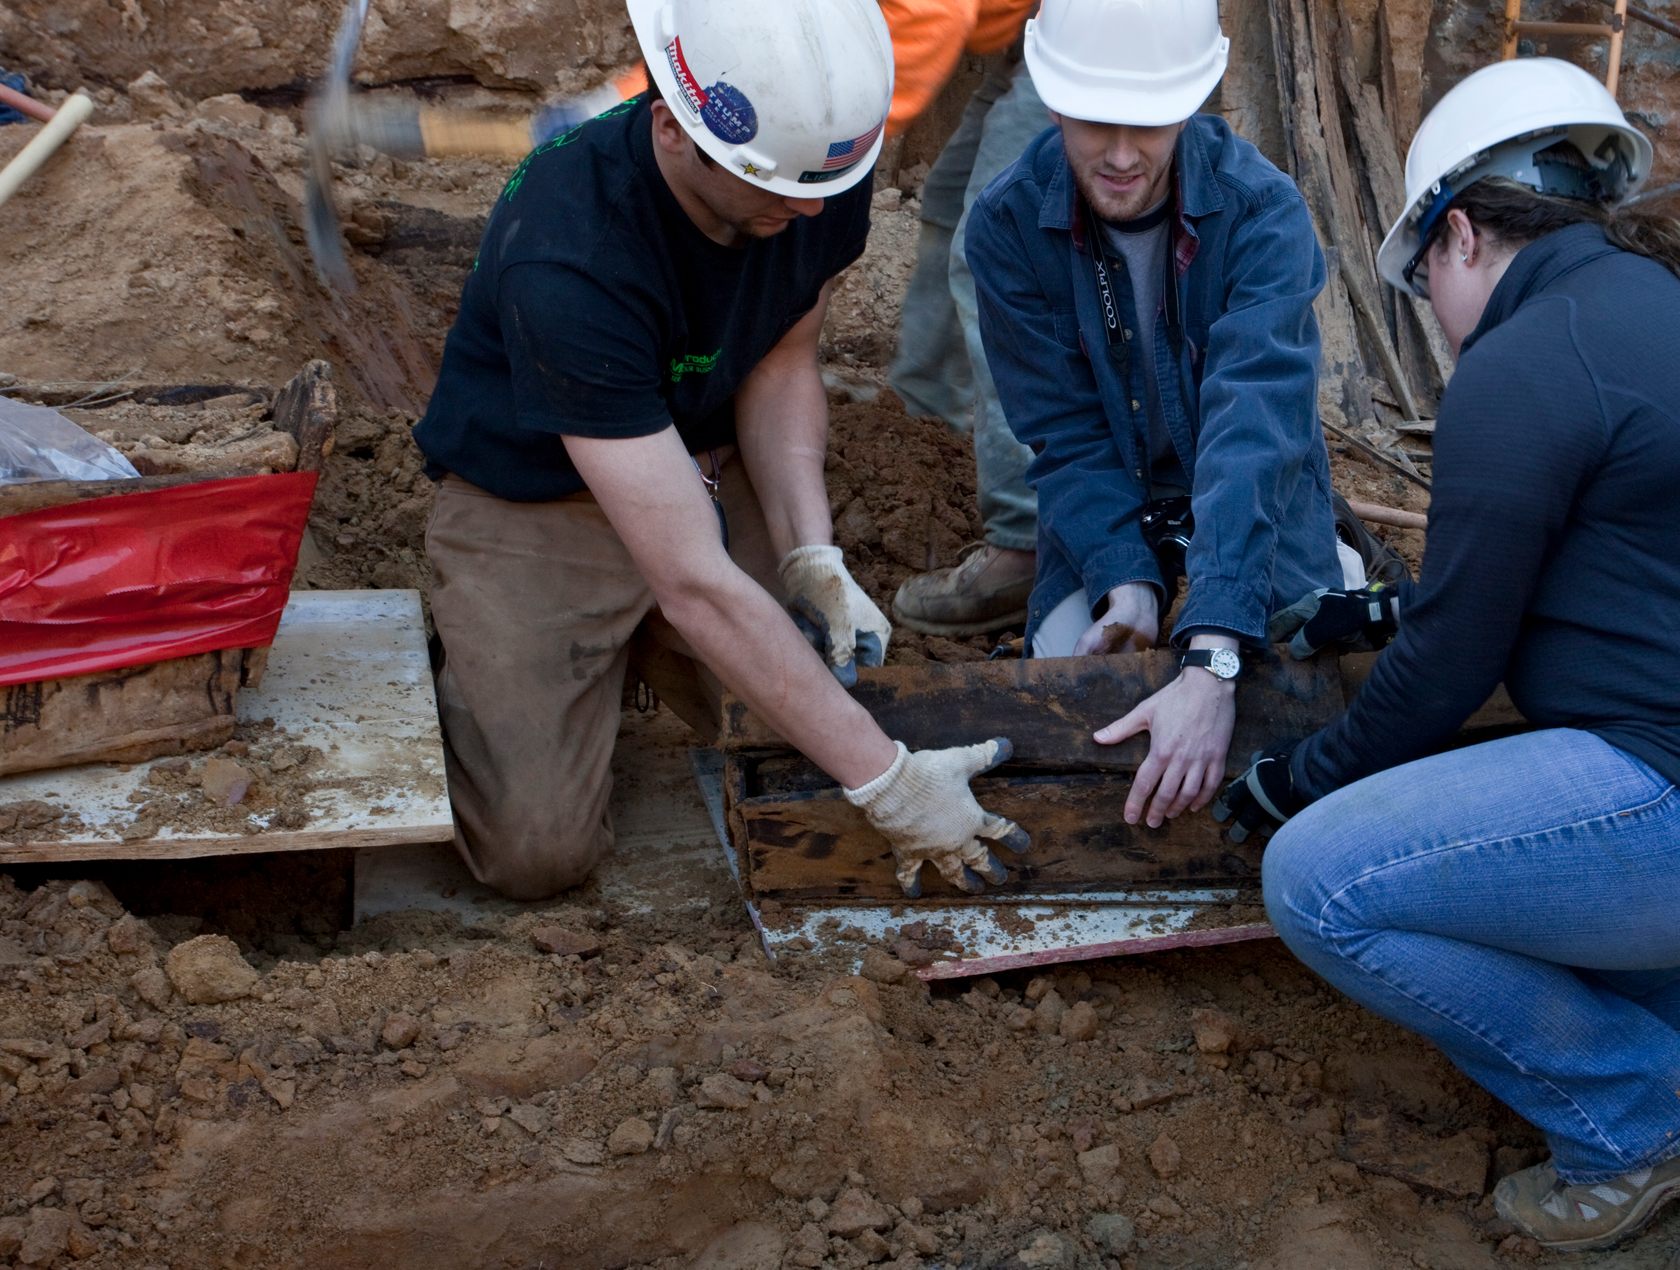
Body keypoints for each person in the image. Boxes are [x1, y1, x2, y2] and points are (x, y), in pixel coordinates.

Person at [412, 0, 1030, 902]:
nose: (810, 210)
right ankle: (504, 659)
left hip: (699, 461)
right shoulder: (570, 256)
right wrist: (890, 785)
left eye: (824, 188)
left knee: (811, 730)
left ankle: (644, 653)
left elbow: (781, 360)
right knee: (534, 850)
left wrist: (809, 550)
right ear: (670, 127)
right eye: (782, 195)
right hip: (538, 499)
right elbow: (695, 583)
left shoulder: (808, 160)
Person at [1215, 57, 1680, 1254]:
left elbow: (1450, 674)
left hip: (1664, 793)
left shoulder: (1518, 369)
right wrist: (1378, 612)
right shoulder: (1650, 313)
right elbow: (1596, 566)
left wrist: (1292, 781)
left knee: (1320, 881)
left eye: (1423, 282)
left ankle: (1634, 1116)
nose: (1431, 307)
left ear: (1460, 232)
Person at [966, 0, 1350, 831]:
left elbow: (1258, 426)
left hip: (1255, 489)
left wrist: (1211, 650)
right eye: (1095, 121)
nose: (1119, 154)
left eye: (1148, 124)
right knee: (1072, 682)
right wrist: (1124, 578)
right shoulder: (1005, 225)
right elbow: (1064, 434)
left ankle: (1332, 571)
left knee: (1313, 682)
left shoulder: (1262, 212)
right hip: (1116, 495)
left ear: (1191, 104)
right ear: (1053, 98)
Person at [886, 1, 1044, 638]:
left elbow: (929, 18)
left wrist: (829, 128)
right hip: (1036, 33)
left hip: (1107, 29)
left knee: (990, 252)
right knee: (950, 204)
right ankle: (920, 419)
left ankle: (1024, 537)